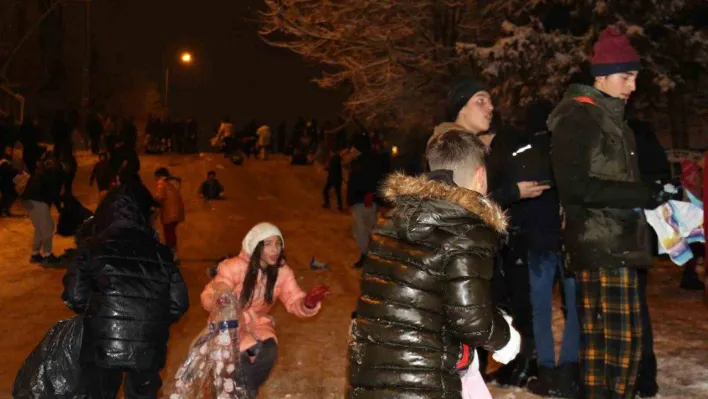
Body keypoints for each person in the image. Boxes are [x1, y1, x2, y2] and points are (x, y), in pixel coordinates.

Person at [348, 129, 521, 399]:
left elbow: (424, 295)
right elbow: (469, 318)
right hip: (422, 383)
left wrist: (492, 314)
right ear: (481, 177)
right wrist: (506, 339)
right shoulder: (465, 229)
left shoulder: (390, 222)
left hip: (373, 375)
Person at [548, 27, 672, 399]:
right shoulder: (579, 118)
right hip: (600, 245)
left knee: (618, 346)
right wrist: (640, 194)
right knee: (615, 348)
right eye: (626, 77)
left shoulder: (614, 121)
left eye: (635, 77)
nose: (632, 86)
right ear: (601, 76)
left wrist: (655, 197)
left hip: (618, 243)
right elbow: (576, 188)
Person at [440, 77, 547, 385]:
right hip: (458, 259)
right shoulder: (454, 146)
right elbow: (460, 206)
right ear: (461, 108)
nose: (491, 107)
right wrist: (512, 191)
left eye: (490, 100)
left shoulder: (466, 145)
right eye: (480, 100)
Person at [62, 177, 189, 399]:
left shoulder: (92, 247)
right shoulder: (159, 251)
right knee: (142, 391)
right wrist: (152, 318)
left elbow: (74, 294)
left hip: (102, 341)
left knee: (100, 391)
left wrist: (97, 311)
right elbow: (179, 302)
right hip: (147, 342)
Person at [201, 222, 329, 397]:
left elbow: (293, 299)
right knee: (239, 365)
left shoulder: (282, 272)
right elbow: (208, 295)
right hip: (228, 328)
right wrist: (220, 297)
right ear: (256, 245)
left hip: (257, 326)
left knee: (266, 352)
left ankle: (243, 392)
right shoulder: (234, 267)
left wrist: (307, 303)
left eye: (278, 244)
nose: (275, 249)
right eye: (268, 244)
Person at [346, 133, 383, 268]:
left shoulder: (365, 161)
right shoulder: (363, 159)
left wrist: (371, 194)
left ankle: (368, 256)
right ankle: (367, 256)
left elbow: (369, 179)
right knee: (365, 229)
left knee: (363, 230)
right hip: (362, 199)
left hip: (364, 199)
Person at [21, 151, 63, 264]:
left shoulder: (42, 171)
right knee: (48, 227)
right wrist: (60, 208)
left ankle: (35, 254)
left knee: (40, 228)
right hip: (37, 200)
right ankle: (47, 255)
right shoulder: (51, 173)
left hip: (29, 200)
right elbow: (53, 192)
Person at [154, 167, 185, 260]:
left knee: (168, 233)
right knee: (171, 232)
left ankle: (172, 253)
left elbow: (159, 198)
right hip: (177, 211)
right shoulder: (172, 183)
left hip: (169, 212)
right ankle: (173, 252)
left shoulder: (161, 184)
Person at [0, 144, 19, 216]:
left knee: (9, 195)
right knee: (9, 195)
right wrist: (15, 171)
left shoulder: (8, 160)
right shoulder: (4, 161)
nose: (10, 152)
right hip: (4, 182)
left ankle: (4, 209)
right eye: (9, 150)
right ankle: (4, 209)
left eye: (11, 150)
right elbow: (6, 170)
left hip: (8, 182)